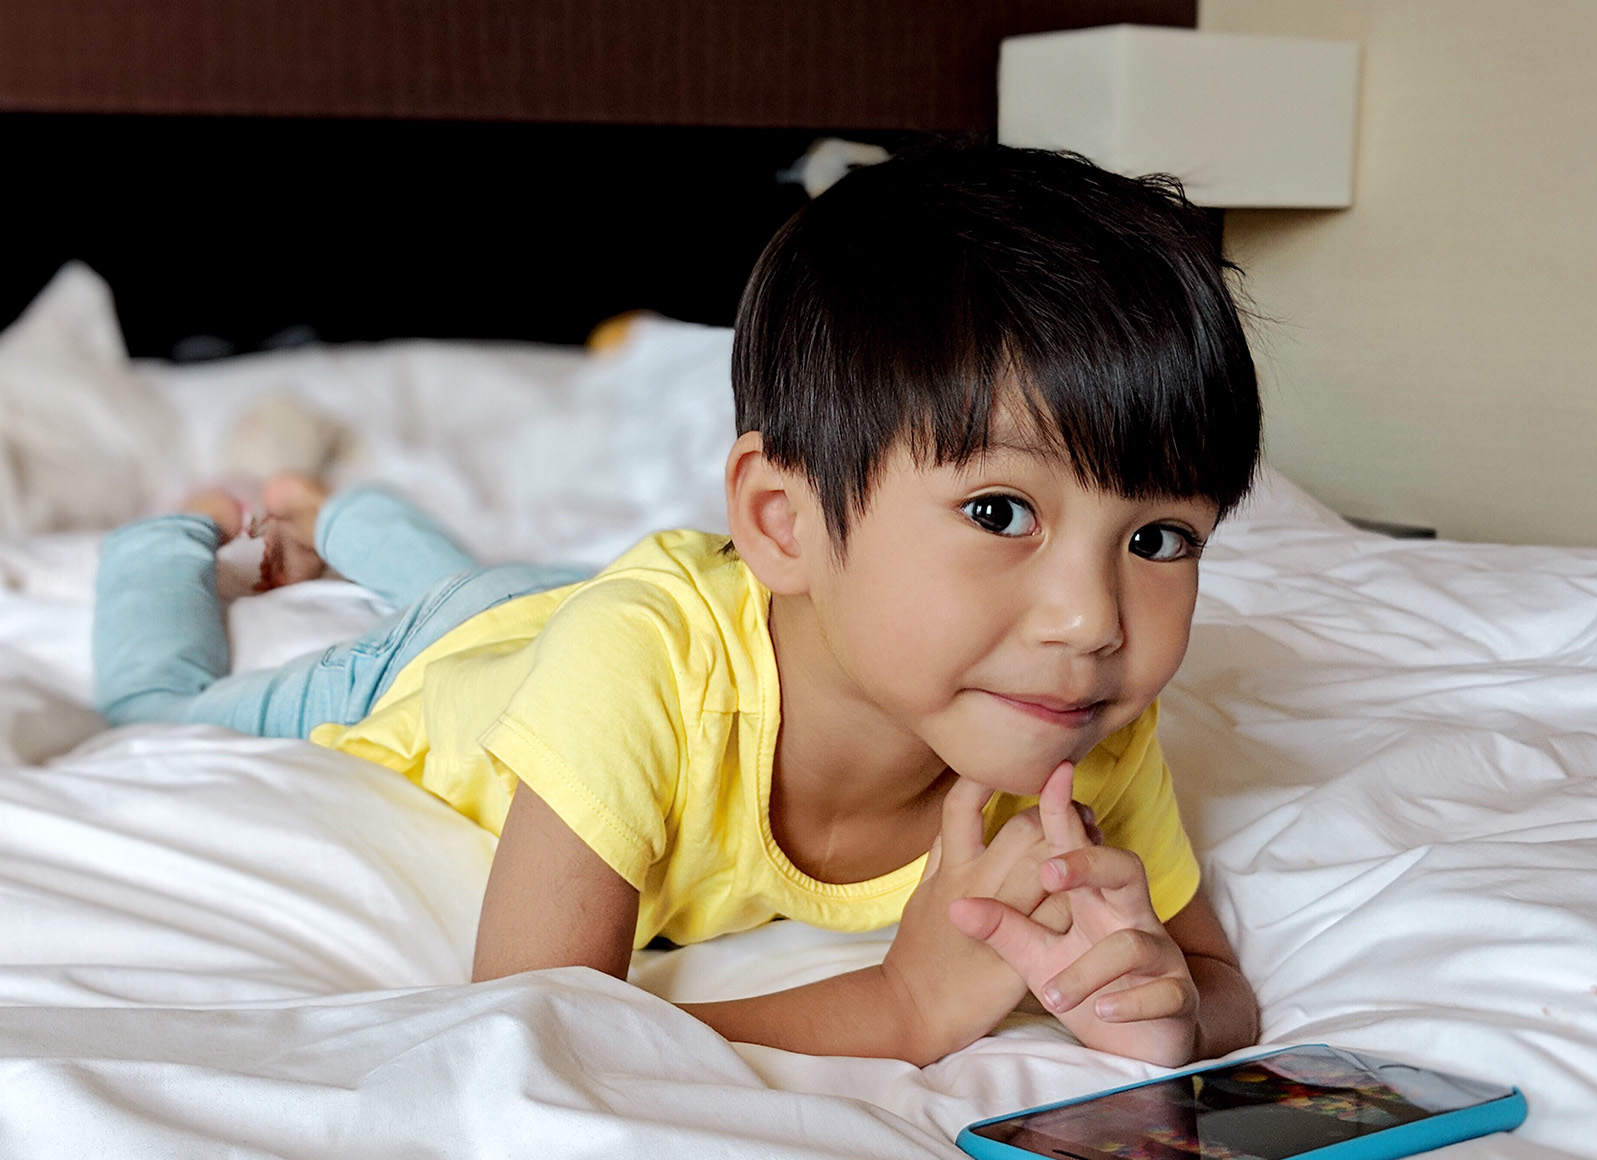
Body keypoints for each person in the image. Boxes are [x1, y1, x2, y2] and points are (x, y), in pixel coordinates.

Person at [94, 141, 1262, 1068]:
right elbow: (538, 1024)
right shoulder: (640, 665)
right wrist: (902, 1002)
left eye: (1159, 538)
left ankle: (329, 510)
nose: (1092, 619)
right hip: (450, 668)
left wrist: (1164, 1009)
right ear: (781, 520)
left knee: (485, 584)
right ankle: (181, 531)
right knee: (173, 698)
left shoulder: (1075, 712)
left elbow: (1213, 984)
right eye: (1001, 512)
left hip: (571, 606)